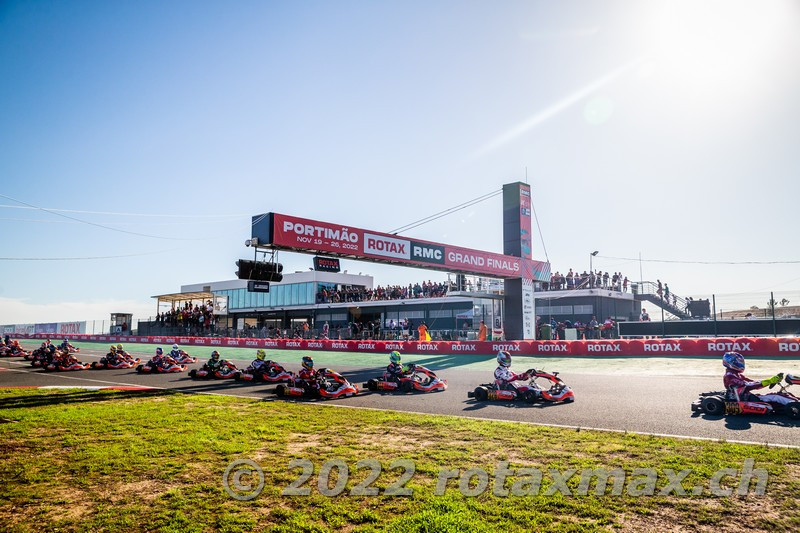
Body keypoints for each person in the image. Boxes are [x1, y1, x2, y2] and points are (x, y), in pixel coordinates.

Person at [722, 352, 790, 405]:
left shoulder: (736, 374)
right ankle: (795, 404)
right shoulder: (730, 376)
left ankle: (794, 403)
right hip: (744, 400)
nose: (740, 364)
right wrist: (769, 381)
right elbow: (747, 385)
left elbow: (753, 383)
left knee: (780, 395)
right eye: (738, 363)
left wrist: (770, 381)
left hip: (747, 397)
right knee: (776, 397)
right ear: (731, 363)